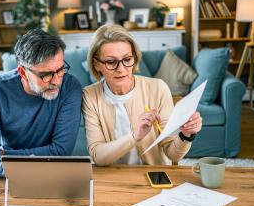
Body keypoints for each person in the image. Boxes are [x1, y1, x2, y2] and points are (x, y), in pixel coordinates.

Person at [82, 24, 202, 166]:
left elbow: (173, 154)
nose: (121, 69)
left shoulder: (158, 88)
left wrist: (186, 135)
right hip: (113, 177)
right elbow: (98, 156)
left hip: (154, 175)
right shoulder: (89, 96)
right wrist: (135, 136)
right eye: (111, 62)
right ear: (96, 64)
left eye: (127, 59)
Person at [0, 29, 82, 177]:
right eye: (46, 75)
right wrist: (23, 168)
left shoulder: (70, 87)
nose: (57, 81)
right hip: (7, 177)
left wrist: (7, 155)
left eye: (60, 70)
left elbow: (61, 151)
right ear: (23, 72)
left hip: (53, 172)